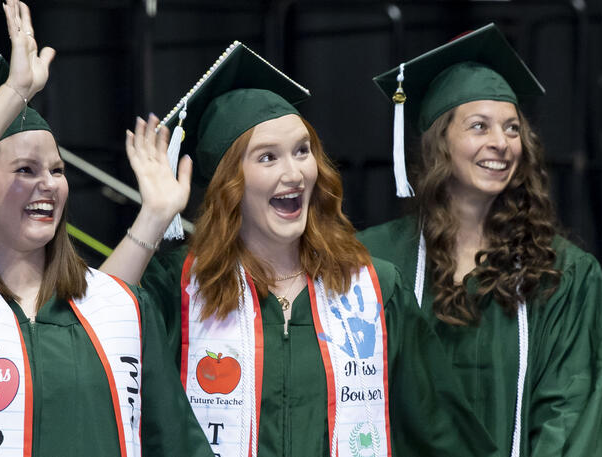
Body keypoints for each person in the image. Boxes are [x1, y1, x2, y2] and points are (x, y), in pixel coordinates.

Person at [99, 41, 493, 456]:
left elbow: (442, 432)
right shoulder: (180, 288)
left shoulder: (373, 289)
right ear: (230, 184)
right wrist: (154, 215)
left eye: (302, 151)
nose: (294, 173)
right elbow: (93, 332)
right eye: (267, 157)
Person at [0, 1, 210, 455]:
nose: (48, 184)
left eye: (57, 170)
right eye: (25, 170)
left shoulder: (115, 307)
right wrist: (15, 90)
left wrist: (154, 214)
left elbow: (173, 442)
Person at [357, 23, 602, 457]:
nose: (501, 143)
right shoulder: (373, 261)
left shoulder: (561, 274)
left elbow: (570, 410)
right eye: (479, 126)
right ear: (441, 141)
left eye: (512, 129)